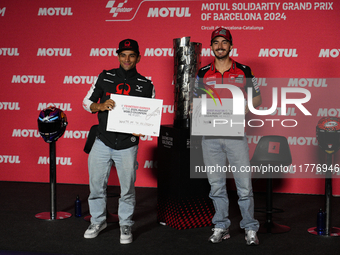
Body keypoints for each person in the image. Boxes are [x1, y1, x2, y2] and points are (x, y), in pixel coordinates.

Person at [82, 39, 155, 244]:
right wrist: (101, 105)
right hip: (102, 140)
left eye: (131, 55)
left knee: (127, 188)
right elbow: (86, 103)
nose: (127, 59)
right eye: (123, 55)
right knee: (96, 185)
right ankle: (98, 220)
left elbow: (148, 118)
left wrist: (143, 128)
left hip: (127, 144)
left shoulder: (146, 85)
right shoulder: (105, 77)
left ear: (138, 58)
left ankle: (125, 223)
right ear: (118, 56)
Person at [194, 27, 262, 245]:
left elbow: (257, 99)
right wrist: (195, 111)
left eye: (224, 42)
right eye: (216, 42)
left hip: (235, 136)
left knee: (244, 185)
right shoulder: (203, 72)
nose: (220, 46)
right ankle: (221, 225)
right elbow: (196, 102)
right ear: (211, 46)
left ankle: (250, 227)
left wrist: (244, 107)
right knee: (216, 185)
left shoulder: (243, 70)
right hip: (210, 137)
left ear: (231, 46)